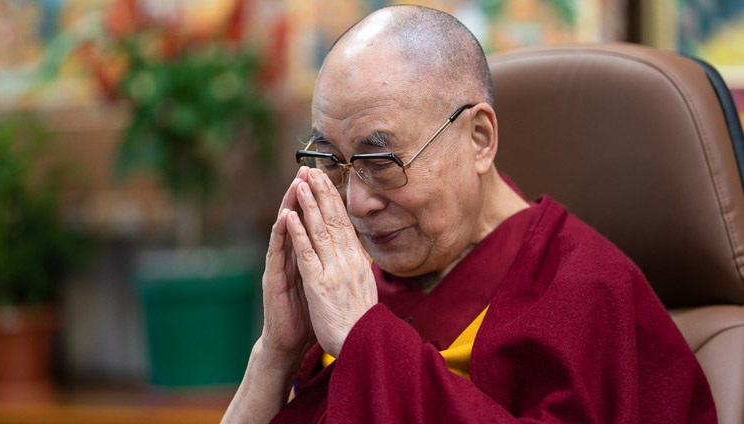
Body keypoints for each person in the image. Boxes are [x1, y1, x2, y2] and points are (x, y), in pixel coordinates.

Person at [222, 5, 716, 423]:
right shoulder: (355, 289)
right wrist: (275, 355)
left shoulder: (588, 291)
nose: (355, 203)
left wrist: (364, 338)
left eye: (380, 163)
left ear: (479, 138)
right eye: (332, 161)